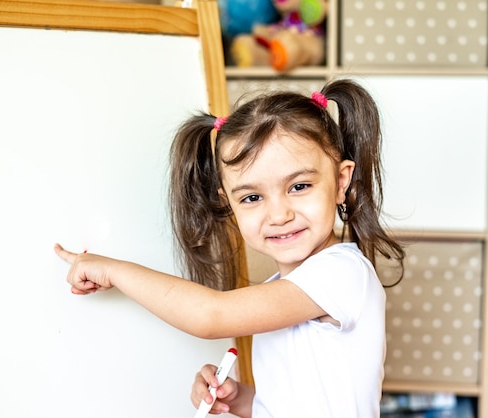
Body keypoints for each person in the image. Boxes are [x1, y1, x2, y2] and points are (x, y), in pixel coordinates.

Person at [54, 78, 404, 417]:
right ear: (229, 204)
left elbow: (211, 316)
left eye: (299, 186)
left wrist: (114, 270)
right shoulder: (283, 294)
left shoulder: (341, 273)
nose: (279, 214)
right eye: (252, 197)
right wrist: (240, 399)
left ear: (341, 182)